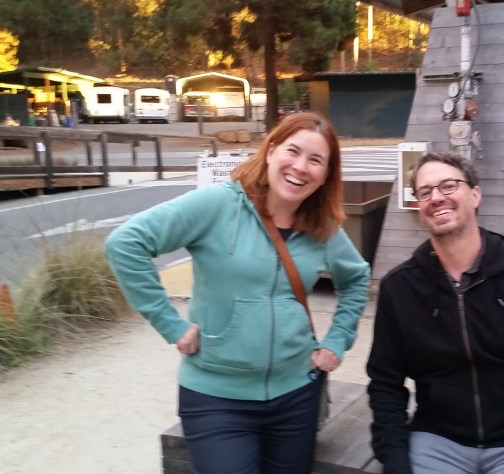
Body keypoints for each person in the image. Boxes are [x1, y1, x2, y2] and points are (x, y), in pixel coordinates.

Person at [105, 112, 371, 474]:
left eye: (316, 160)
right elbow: (126, 243)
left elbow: (356, 278)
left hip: (296, 394)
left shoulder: (321, 225)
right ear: (271, 151)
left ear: (325, 175)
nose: (300, 167)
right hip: (217, 397)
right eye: (293, 151)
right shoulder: (219, 205)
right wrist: (170, 324)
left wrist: (337, 339)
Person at [366, 151, 504, 474]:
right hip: (437, 439)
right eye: (425, 192)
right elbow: (385, 383)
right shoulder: (400, 288)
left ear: (475, 194)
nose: (436, 198)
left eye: (448, 186)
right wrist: (394, 458)